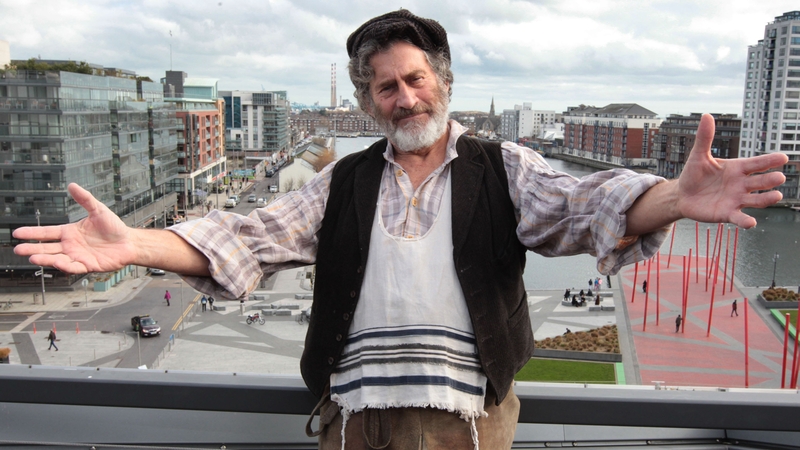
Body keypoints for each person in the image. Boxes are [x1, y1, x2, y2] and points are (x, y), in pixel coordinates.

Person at [11, 10, 789, 450]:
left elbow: (586, 206)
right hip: (355, 422)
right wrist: (131, 246)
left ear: (444, 85)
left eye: (416, 79)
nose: (404, 98)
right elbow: (246, 237)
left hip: (468, 423)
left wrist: (673, 198)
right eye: (385, 87)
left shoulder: (501, 166)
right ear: (368, 101)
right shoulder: (344, 180)